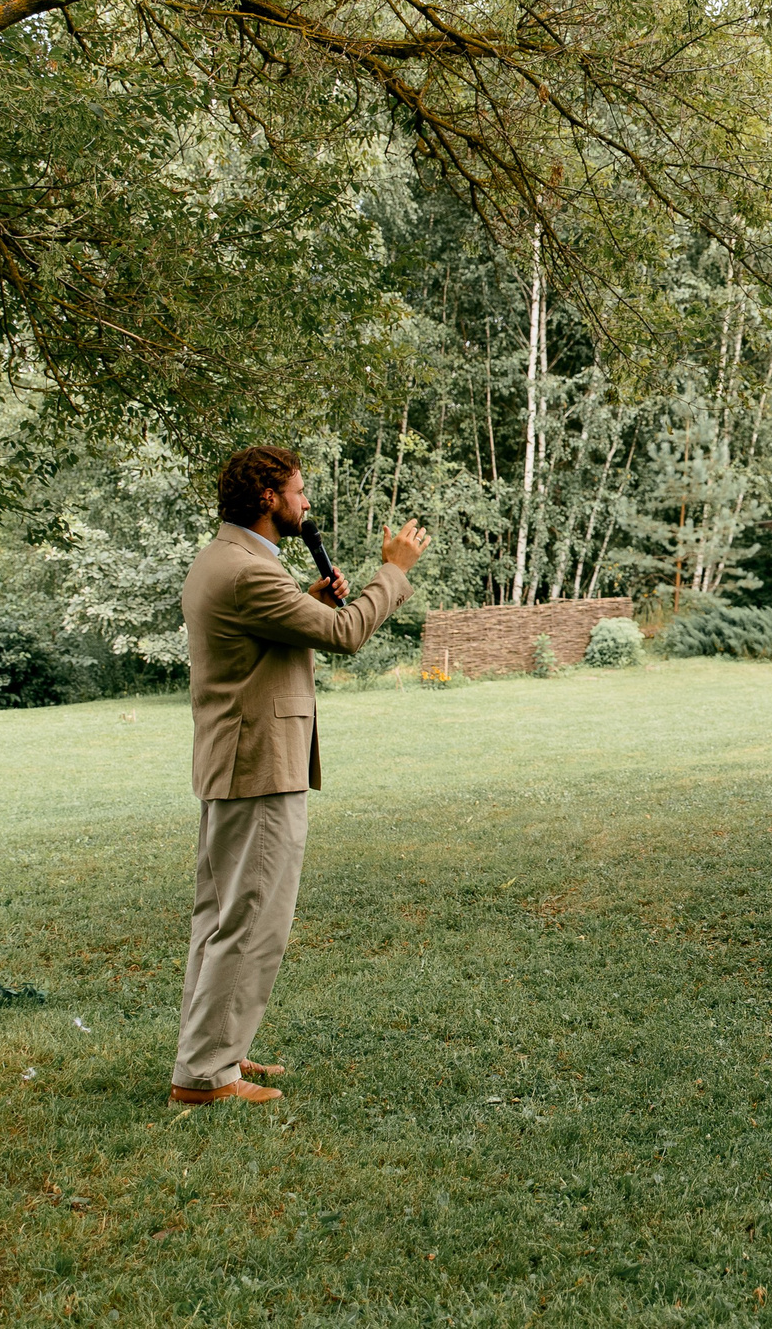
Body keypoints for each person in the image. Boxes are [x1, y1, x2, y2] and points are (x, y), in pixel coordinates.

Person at [173, 445, 430, 1106]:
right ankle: (205, 1077)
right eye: (299, 488)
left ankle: (214, 1050)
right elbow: (347, 633)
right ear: (268, 497)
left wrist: (306, 602)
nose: (306, 500)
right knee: (254, 921)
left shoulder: (225, 560)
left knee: (221, 919)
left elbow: (272, 640)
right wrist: (392, 572)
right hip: (259, 768)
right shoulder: (247, 574)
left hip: (235, 763)